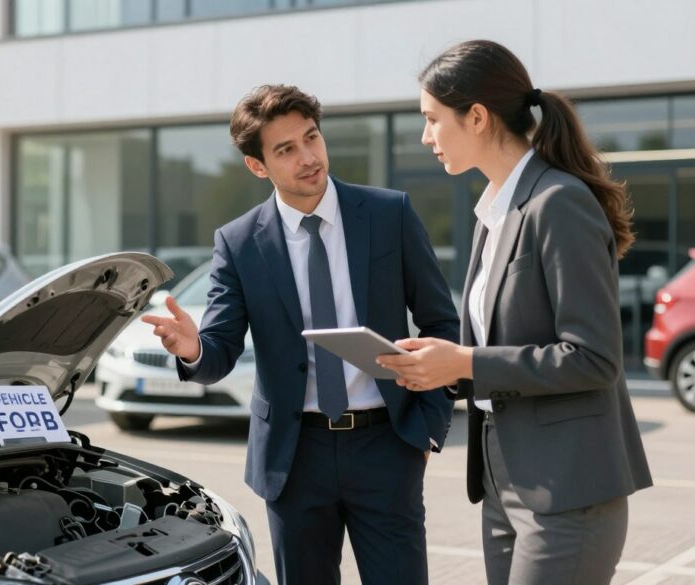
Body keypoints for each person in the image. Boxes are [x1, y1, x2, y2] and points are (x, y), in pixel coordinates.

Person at [142, 84, 459, 585]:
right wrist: (193, 347)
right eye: (286, 149)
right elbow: (219, 351)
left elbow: (442, 323)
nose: (308, 157)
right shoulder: (239, 242)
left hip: (386, 446)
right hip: (294, 459)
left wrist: (428, 427)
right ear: (258, 166)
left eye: (311, 138)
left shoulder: (388, 214)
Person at [377, 40, 653, 585]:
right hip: (504, 482)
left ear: (476, 117)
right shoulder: (494, 212)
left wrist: (466, 361)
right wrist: (436, 367)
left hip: (567, 487)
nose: (425, 136)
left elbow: (594, 357)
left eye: (432, 120)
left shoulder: (558, 202)